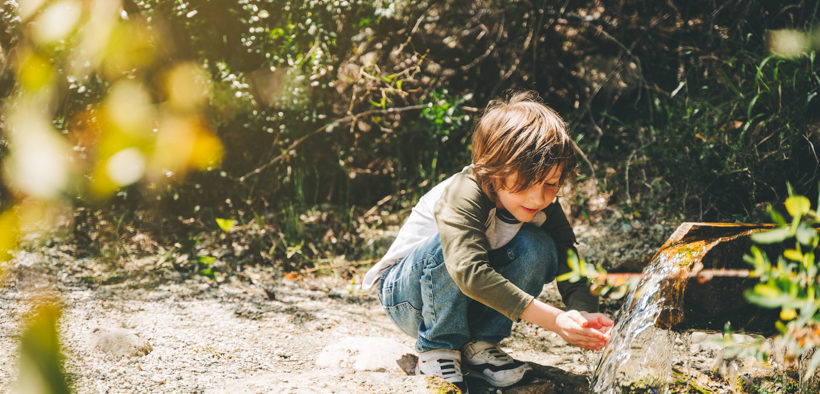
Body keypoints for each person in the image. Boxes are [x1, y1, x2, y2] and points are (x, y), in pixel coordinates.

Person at [361, 91, 613, 392]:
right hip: (407, 297)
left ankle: (479, 345)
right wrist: (555, 320)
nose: (539, 197)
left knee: (541, 247)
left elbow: (568, 258)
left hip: (467, 300)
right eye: (525, 183)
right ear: (493, 171)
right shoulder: (463, 194)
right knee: (449, 249)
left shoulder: (544, 205)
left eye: (550, 183)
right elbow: (468, 272)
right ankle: (437, 347)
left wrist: (582, 312)